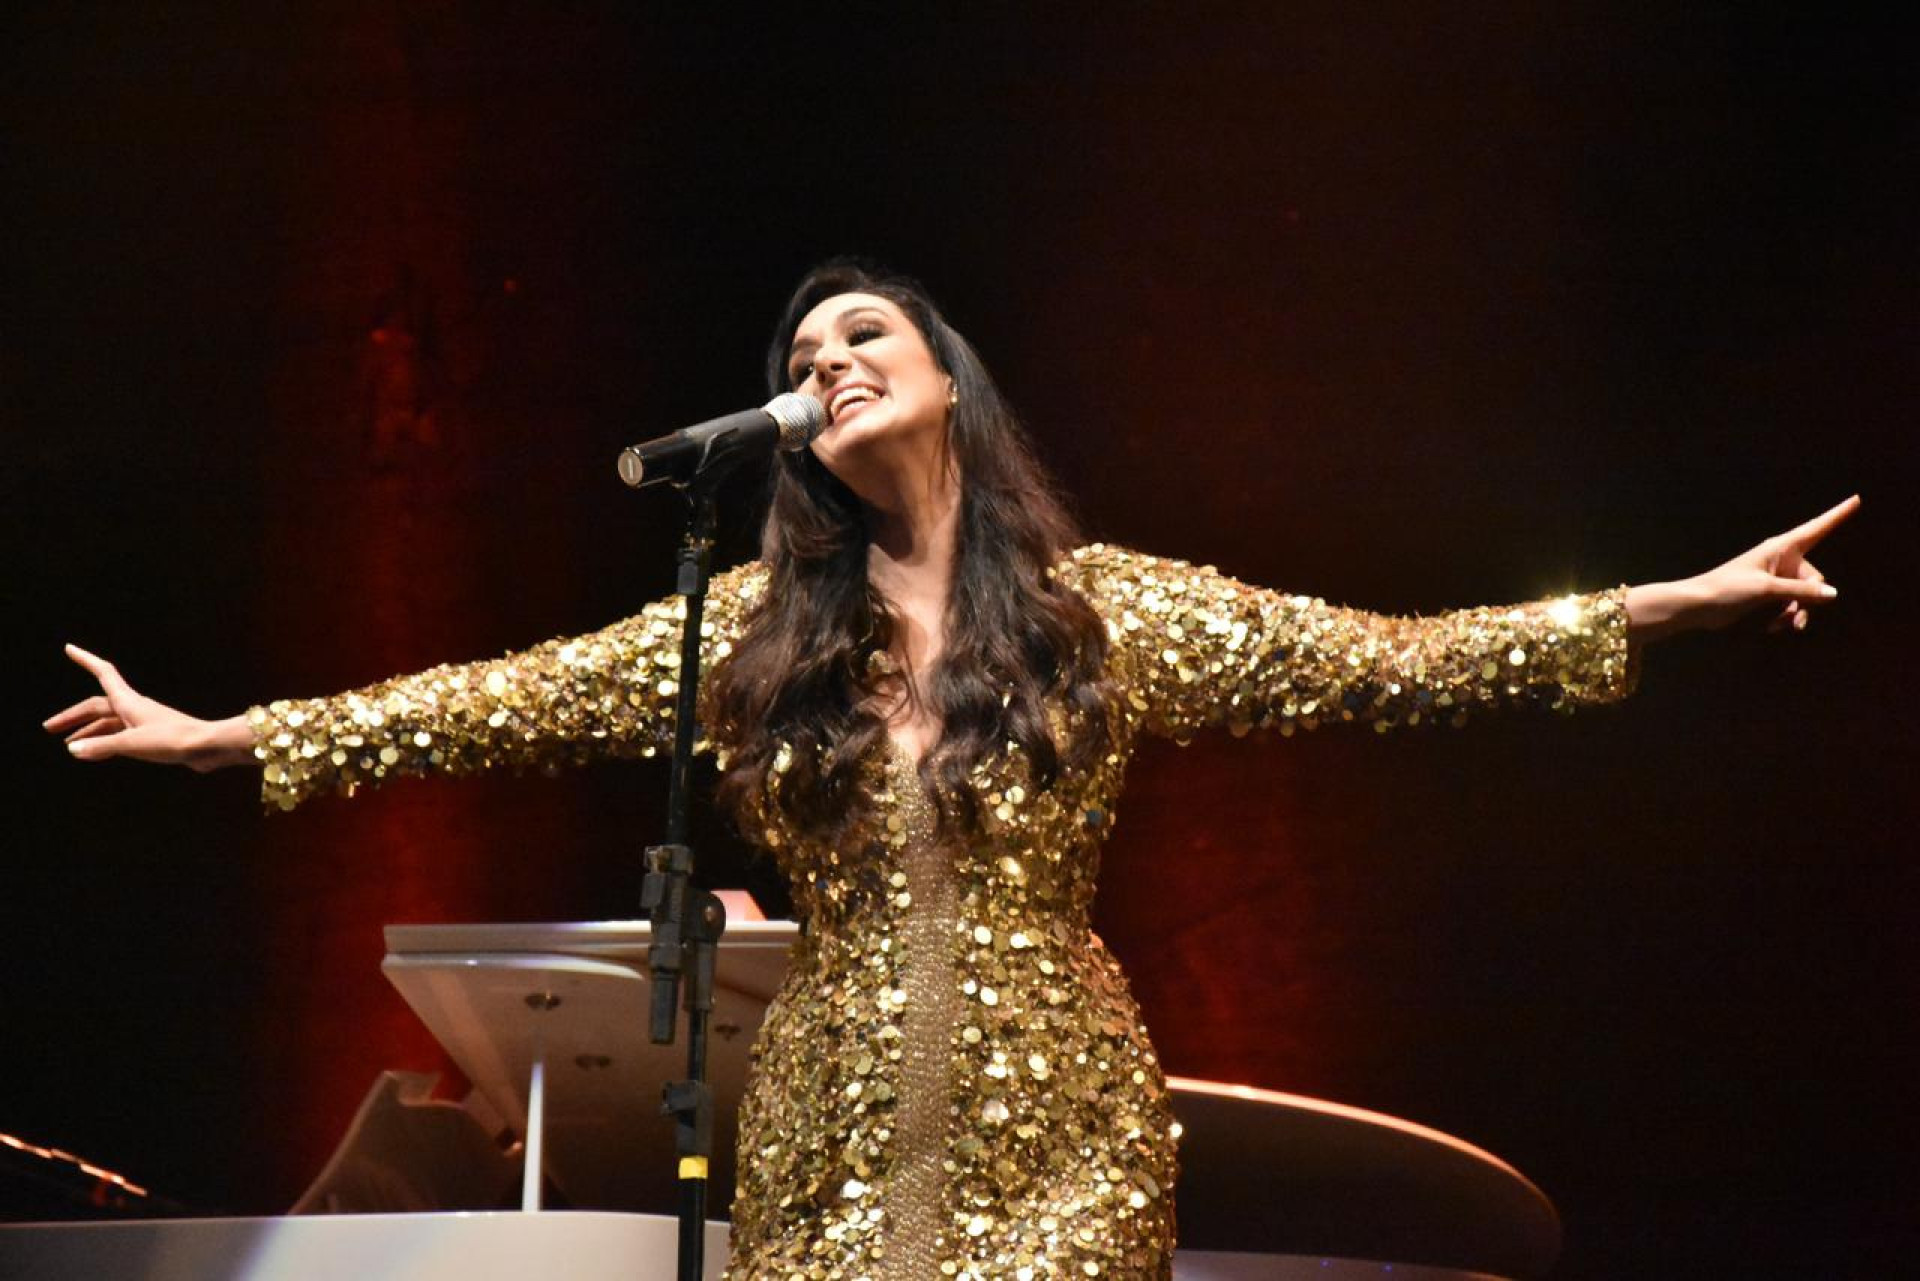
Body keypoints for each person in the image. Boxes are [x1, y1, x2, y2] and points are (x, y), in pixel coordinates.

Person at [45, 260, 1858, 1279]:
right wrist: (225, 733)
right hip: (823, 1124)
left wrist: (1669, 601)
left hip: (1061, 1117)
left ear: (948, 383)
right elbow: (488, 701)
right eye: (801, 357)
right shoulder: (756, 633)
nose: (827, 363)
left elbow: (1396, 656)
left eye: (863, 337)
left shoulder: (1099, 609)